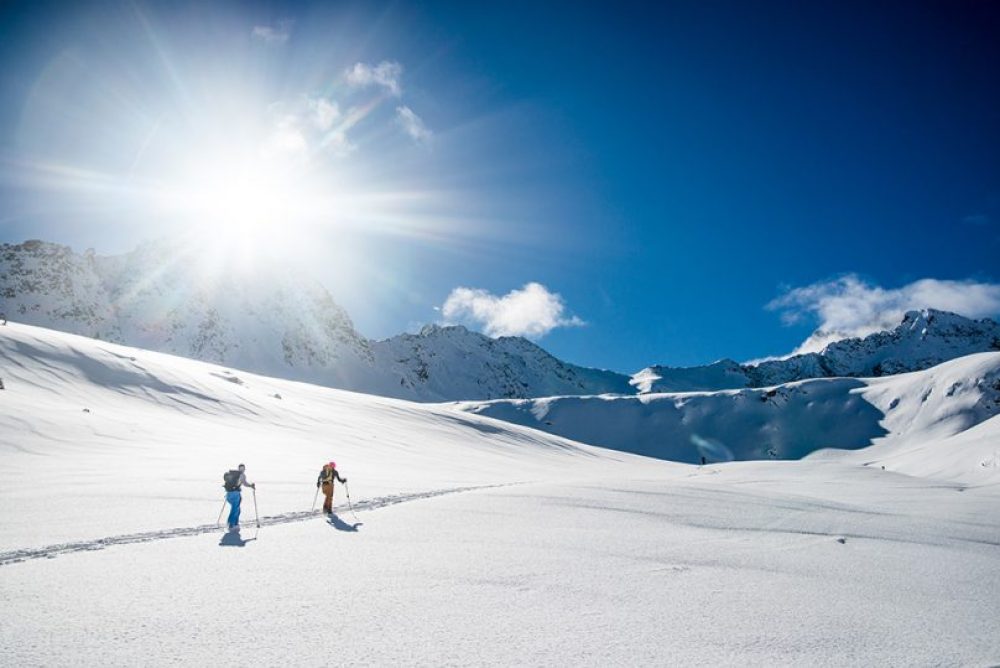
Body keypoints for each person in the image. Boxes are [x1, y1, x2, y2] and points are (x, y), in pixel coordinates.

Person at [223, 463, 255, 529]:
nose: (243, 470)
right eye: (242, 468)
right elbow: (244, 483)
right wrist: (251, 486)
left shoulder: (233, 474)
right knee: (235, 509)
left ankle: (235, 523)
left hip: (228, 494)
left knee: (236, 509)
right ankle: (231, 524)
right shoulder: (242, 475)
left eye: (243, 469)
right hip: (235, 494)